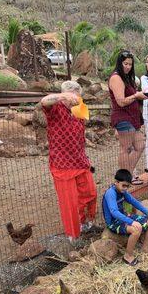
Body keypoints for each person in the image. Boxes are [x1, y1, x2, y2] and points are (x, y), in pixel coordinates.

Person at [41, 80, 97, 245]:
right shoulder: (55, 109)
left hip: (80, 160)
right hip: (62, 163)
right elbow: (44, 101)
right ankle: (73, 234)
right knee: (69, 202)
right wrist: (62, 96)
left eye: (78, 97)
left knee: (90, 193)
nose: (76, 100)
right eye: (73, 97)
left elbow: (79, 132)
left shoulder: (79, 110)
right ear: (65, 96)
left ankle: (86, 221)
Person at [108, 51, 148, 185]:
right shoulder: (116, 78)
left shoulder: (126, 77)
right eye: (125, 63)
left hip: (132, 117)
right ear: (119, 63)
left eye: (130, 64)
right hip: (123, 117)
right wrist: (136, 96)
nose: (127, 66)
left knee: (140, 145)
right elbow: (121, 101)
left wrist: (141, 95)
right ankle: (124, 178)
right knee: (125, 148)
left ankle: (128, 174)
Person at [102, 169, 148, 266]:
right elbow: (114, 212)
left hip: (123, 217)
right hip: (113, 222)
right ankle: (128, 256)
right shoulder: (110, 193)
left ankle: (145, 248)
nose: (125, 188)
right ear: (116, 182)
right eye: (123, 185)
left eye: (127, 186)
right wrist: (131, 222)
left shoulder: (123, 192)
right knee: (137, 229)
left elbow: (134, 202)